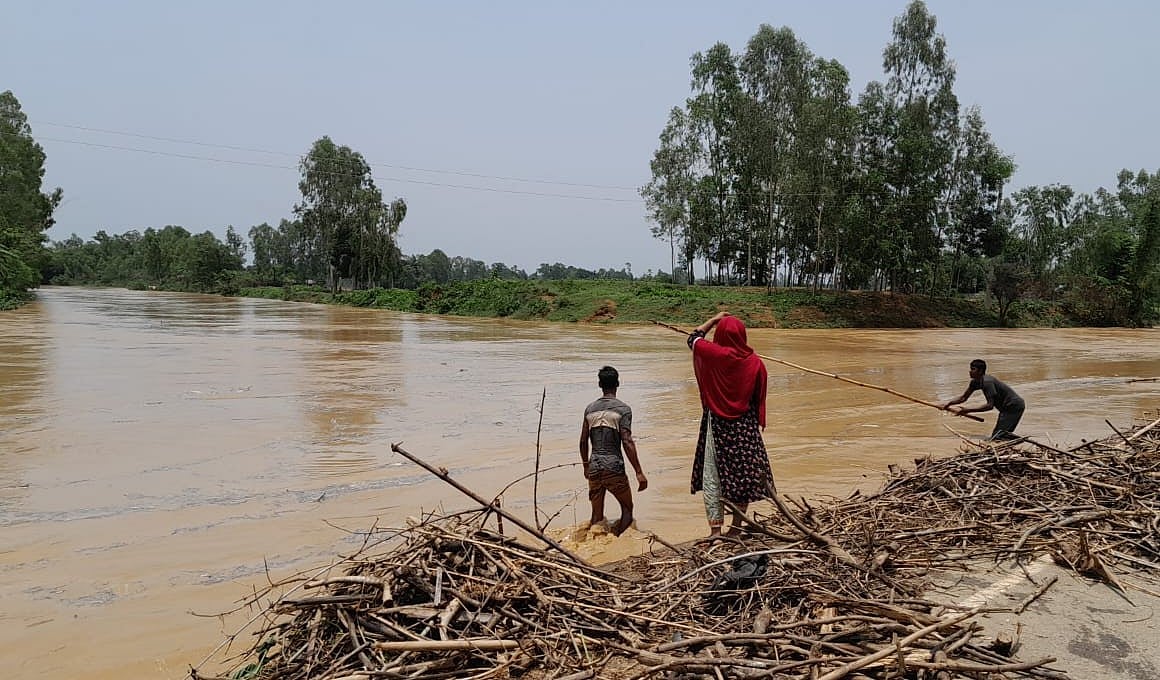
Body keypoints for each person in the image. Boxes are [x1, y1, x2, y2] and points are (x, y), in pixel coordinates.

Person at [688, 312, 774, 537]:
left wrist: (712, 320)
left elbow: (693, 339)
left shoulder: (714, 353)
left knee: (712, 474)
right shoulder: (755, 362)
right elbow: (757, 399)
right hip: (744, 427)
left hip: (716, 425)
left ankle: (715, 531)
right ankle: (735, 529)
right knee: (742, 477)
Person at [579, 366, 647, 536]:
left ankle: (595, 542)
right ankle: (619, 543)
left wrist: (586, 466)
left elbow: (582, 441)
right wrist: (639, 472)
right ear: (617, 383)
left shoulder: (590, 409)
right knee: (627, 509)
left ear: (599, 384)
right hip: (613, 466)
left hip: (594, 466)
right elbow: (627, 441)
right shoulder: (623, 410)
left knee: (596, 515)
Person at [942, 359, 1026, 441]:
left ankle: (1022, 441)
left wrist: (967, 410)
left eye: (973, 369)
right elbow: (963, 398)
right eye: (970, 369)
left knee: (998, 436)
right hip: (1006, 408)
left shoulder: (987, 382)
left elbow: (989, 406)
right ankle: (1021, 441)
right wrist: (948, 404)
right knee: (1002, 435)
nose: (970, 371)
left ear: (980, 371)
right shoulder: (974, 382)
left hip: (1013, 406)